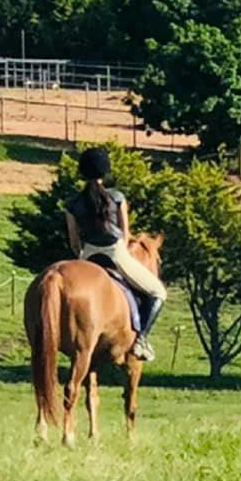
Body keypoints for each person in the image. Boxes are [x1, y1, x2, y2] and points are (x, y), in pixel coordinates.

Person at [63, 145, 166, 362]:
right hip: (116, 254)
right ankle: (141, 340)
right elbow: (125, 234)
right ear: (105, 171)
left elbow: (74, 241)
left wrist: (82, 255)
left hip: (88, 256)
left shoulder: (72, 204)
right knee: (158, 292)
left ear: (82, 172)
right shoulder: (117, 197)